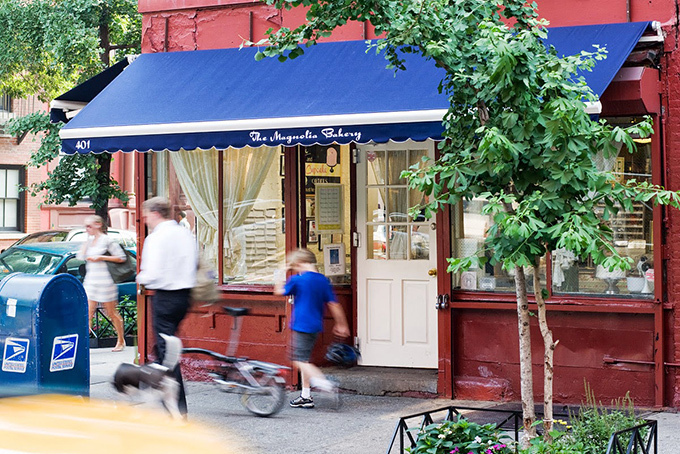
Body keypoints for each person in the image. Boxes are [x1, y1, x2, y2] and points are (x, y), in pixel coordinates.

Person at [137, 197, 198, 417]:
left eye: (145, 216)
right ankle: (163, 391)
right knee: (164, 348)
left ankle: (177, 409)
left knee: (166, 353)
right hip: (185, 295)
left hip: (165, 296)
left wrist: (140, 278)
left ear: (154, 213)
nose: (145, 221)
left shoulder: (156, 238)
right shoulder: (184, 233)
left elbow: (151, 274)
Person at [274, 248, 350, 408]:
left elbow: (279, 291)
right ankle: (306, 396)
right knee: (304, 359)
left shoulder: (297, 280)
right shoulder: (322, 280)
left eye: (294, 265)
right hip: (316, 325)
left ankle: (326, 384)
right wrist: (341, 324)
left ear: (300, 263)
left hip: (301, 325)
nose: (294, 268)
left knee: (297, 360)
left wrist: (281, 272)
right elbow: (334, 304)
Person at [77, 215, 127, 352]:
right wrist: (86, 244)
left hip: (105, 281)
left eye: (89, 226)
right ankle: (83, 345)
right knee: (87, 312)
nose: (87, 229)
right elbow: (80, 257)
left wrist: (101, 257)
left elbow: (121, 257)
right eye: (86, 226)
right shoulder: (89, 240)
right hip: (91, 281)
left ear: (98, 225)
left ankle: (121, 340)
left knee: (111, 312)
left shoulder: (107, 240)